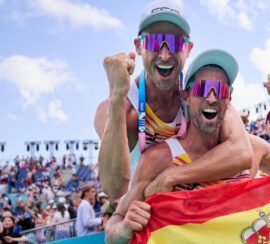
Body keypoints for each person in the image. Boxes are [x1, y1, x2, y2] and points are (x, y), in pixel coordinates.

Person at [105, 50, 270, 244]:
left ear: (229, 101)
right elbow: (112, 233)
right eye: (202, 88)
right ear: (186, 96)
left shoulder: (252, 149)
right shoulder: (161, 158)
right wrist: (126, 227)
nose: (211, 97)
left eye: (221, 90)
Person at [94, 0, 251, 200]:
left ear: (188, 49)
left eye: (175, 43)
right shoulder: (119, 108)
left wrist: (171, 176)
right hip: (142, 213)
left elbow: (242, 152)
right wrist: (117, 97)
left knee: (258, 146)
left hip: (189, 205)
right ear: (139, 46)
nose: (165, 54)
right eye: (154, 42)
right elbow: (114, 188)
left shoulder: (201, 91)